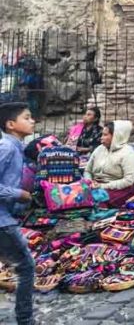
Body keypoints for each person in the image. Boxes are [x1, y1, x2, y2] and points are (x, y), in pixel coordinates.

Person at [0, 103, 35, 325]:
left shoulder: (17, 148)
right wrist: (19, 193)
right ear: (11, 124)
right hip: (2, 221)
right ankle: (25, 320)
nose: (32, 121)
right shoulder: (7, 148)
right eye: (27, 117)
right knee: (26, 267)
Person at [84, 120, 134, 207]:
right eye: (102, 134)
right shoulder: (99, 149)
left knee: (95, 200)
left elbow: (128, 181)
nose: (101, 137)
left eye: (105, 135)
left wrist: (103, 186)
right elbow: (88, 171)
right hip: (96, 185)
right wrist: (89, 181)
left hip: (118, 189)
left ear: (116, 136)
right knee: (74, 194)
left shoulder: (129, 153)